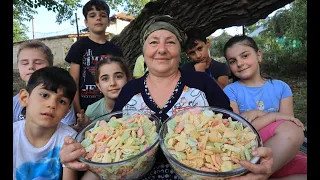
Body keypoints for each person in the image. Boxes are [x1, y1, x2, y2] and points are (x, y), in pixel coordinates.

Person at [59, 15, 278, 180]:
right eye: (153, 42)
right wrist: (75, 154)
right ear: (143, 51)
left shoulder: (202, 83)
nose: (161, 49)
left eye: (170, 42)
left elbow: (230, 128)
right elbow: (110, 142)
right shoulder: (129, 90)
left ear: (180, 51)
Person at [223, 35, 307, 179]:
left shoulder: (281, 87)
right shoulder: (230, 91)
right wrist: (273, 117)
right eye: (233, 61)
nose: (240, 63)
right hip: (251, 151)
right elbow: (238, 132)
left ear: (258, 55)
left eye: (244, 56)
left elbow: (288, 123)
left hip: (279, 151)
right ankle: (259, 174)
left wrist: (263, 115)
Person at [13, 66, 78, 180]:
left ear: (67, 110)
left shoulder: (69, 139)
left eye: (62, 101)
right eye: (44, 95)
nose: (52, 105)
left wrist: (68, 163)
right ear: (24, 98)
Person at [65, 0, 123, 118]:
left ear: (108, 22)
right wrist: (78, 111)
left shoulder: (115, 49)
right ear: (86, 22)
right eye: (92, 15)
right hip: (85, 109)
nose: (98, 18)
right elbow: (73, 80)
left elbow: (122, 77)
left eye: (102, 15)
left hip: (111, 109)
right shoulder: (79, 47)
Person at [13, 40, 76, 125]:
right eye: (25, 63)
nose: (30, 66)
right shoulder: (15, 102)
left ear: (50, 66)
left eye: (38, 62)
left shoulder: (61, 98)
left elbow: (68, 127)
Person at [72, 57, 131, 131]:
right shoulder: (92, 112)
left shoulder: (138, 104)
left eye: (118, 77)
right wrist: (86, 125)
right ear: (98, 85)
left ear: (128, 79)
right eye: (105, 79)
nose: (112, 83)